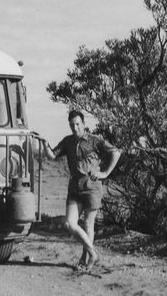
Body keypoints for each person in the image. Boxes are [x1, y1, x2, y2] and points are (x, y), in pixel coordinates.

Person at [42, 110, 121, 271]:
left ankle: (85, 260)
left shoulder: (95, 140)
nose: (75, 128)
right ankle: (93, 253)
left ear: (84, 124)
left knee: (88, 225)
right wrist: (44, 143)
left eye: (78, 124)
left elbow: (116, 152)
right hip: (74, 188)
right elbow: (52, 156)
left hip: (92, 188)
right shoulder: (68, 141)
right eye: (72, 125)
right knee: (70, 224)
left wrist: (105, 173)